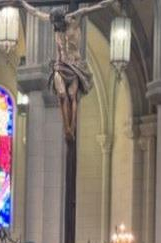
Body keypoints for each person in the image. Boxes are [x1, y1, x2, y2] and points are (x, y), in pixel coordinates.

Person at [18, 0, 118, 141]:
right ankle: (67, 129)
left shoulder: (75, 18)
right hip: (60, 65)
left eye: (58, 25)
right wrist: (22, 3)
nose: (56, 28)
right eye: (55, 25)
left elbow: (99, 6)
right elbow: (35, 12)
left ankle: (72, 126)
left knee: (72, 96)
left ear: (63, 19)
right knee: (62, 95)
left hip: (74, 66)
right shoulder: (53, 21)